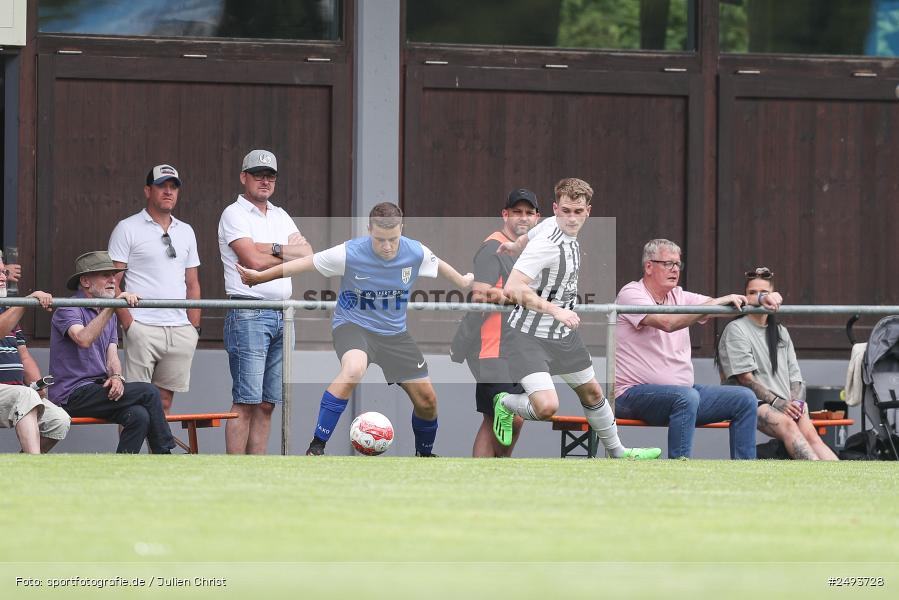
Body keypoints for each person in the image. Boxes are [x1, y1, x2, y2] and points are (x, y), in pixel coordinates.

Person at [238, 202, 474, 457]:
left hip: (394, 334)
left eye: (393, 240)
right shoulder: (349, 252)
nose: (387, 247)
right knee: (353, 369)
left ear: (401, 230)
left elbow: (439, 265)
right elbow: (304, 263)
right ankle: (316, 447)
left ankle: (424, 456)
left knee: (428, 401)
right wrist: (260, 277)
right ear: (369, 229)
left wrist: (461, 280)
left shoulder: (415, 251)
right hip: (354, 327)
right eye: (380, 240)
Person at [491, 178, 661, 460]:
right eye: (566, 210)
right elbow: (512, 288)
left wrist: (513, 246)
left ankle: (618, 453)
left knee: (593, 394)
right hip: (526, 336)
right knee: (546, 407)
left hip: (561, 335)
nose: (571, 218)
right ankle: (506, 403)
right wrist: (557, 310)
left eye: (577, 211)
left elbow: (527, 236)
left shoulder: (548, 226)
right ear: (556, 208)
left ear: (588, 211)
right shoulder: (547, 244)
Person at [613, 239, 783, 460]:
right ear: (648, 267)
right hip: (630, 395)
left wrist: (763, 298)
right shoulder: (632, 293)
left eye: (678, 264)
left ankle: (744, 471)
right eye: (668, 264)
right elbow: (667, 322)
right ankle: (680, 466)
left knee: (745, 398)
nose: (675, 269)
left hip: (683, 394)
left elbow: (732, 305)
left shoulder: (680, 296)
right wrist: (718, 301)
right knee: (686, 397)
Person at [218, 149, 312, 454]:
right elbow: (252, 262)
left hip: (283, 313)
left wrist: (268, 247)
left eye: (270, 176)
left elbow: (308, 254)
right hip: (248, 311)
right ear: (243, 177)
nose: (264, 181)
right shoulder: (234, 213)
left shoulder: (281, 214)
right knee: (245, 400)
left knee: (268, 403)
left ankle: (257, 471)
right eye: (258, 175)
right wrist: (285, 250)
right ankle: (236, 473)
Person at [49, 251, 175, 454]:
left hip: (97, 388)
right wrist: (112, 306)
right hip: (70, 395)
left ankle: (121, 469)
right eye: (104, 275)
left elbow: (112, 356)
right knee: (149, 391)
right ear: (86, 281)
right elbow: (83, 339)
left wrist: (116, 376)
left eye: (113, 275)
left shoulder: (108, 313)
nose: (113, 280)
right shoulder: (68, 307)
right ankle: (165, 453)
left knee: (138, 415)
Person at [717, 267, 838, 460]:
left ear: (772, 295)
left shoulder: (781, 331)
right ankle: (818, 476)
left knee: (812, 436)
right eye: (752, 293)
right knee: (789, 427)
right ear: (744, 296)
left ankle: (838, 480)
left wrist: (796, 404)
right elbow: (745, 380)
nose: (758, 297)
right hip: (751, 402)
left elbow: (795, 377)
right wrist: (777, 403)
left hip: (785, 401)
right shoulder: (736, 329)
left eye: (764, 293)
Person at [453, 188, 539, 457]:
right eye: (516, 212)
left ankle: (492, 477)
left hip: (516, 345)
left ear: (537, 218)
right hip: (490, 346)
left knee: (500, 417)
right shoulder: (492, 248)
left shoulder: (532, 249)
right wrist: (523, 299)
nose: (522, 218)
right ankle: (490, 475)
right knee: (508, 416)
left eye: (528, 213)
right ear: (505, 214)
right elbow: (479, 296)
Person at [109, 164, 201, 413]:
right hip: (142, 325)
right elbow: (112, 283)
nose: (168, 191)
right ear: (148, 190)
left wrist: (194, 328)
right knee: (134, 402)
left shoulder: (187, 231)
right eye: (162, 186)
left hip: (180, 327)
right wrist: (130, 324)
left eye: (173, 187)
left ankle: (158, 453)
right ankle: (131, 453)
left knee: (164, 402)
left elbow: (192, 283)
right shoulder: (127, 227)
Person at [0, 255, 70, 453]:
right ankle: (35, 466)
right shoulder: (11, 314)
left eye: (4, 272)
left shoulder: (7, 311)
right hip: (14, 394)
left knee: (59, 420)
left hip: (15, 393)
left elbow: (24, 356)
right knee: (25, 395)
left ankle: (21, 468)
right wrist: (27, 302)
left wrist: (39, 385)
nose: (3, 277)